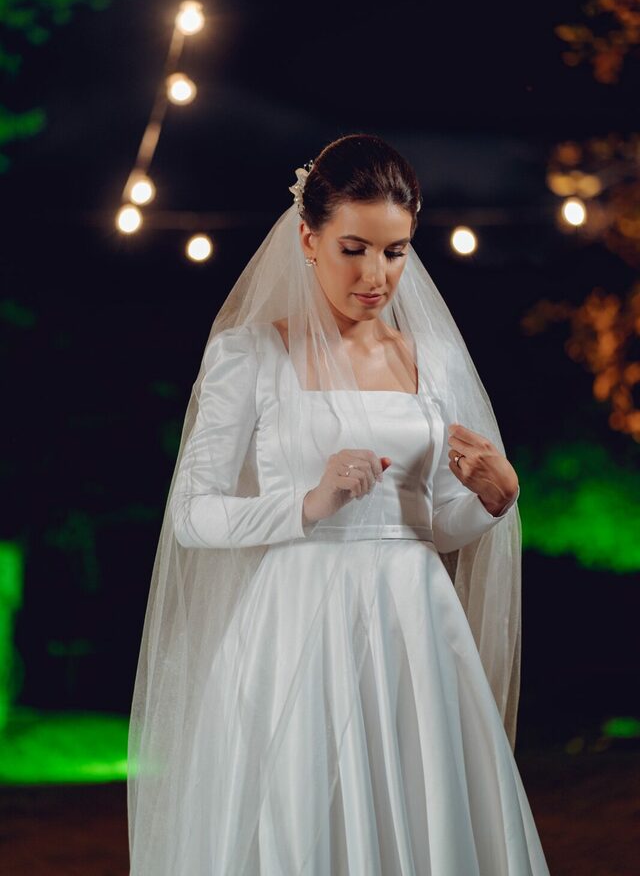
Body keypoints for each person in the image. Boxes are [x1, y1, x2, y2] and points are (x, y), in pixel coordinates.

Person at [127, 134, 551, 875]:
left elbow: (429, 525)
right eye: (354, 249)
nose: (375, 275)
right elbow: (191, 514)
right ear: (308, 239)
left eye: (395, 252)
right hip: (294, 626)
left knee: (426, 813)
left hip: (415, 628)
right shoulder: (249, 354)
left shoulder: (432, 360)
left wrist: (494, 499)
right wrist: (308, 503)